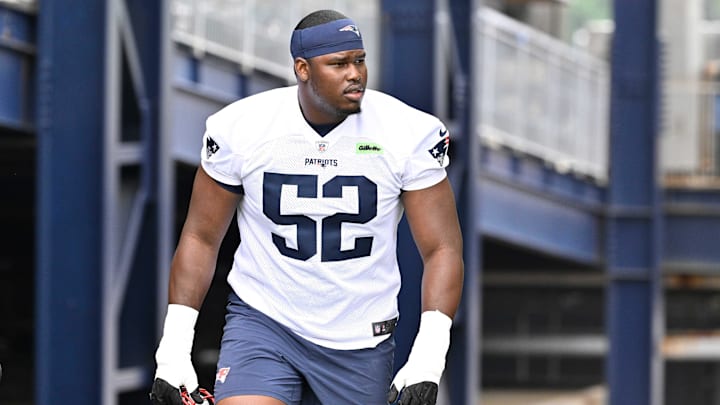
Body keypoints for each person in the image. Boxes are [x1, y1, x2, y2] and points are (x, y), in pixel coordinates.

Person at [150, 9, 464, 405]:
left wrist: (428, 357)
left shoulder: (407, 132)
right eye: (338, 64)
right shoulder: (243, 127)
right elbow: (200, 237)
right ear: (302, 68)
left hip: (359, 337)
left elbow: (442, 249)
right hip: (264, 321)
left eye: (359, 60)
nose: (355, 74)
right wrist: (174, 349)